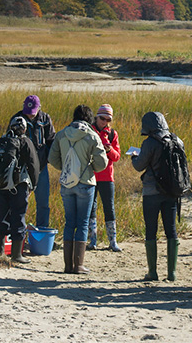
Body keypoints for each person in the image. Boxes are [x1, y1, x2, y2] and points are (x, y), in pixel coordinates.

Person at [48, 104, 108, 275]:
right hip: (86, 182)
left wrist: (66, 169)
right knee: (82, 223)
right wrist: (90, 168)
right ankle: (78, 265)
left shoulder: (62, 134)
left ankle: (67, 266)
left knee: (70, 222)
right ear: (90, 119)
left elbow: (52, 158)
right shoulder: (92, 136)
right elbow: (102, 163)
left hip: (67, 183)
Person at [132, 111, 185, 282]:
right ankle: (172, 273)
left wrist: (134, 157)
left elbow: (139, 166)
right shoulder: (177, 141)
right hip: (171, 191)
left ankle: (152, 272)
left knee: (151, 230)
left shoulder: (149, 143)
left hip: (151, 191)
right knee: (171, 230)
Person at [0, 117, 40, 264]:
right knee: (18, 216)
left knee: (1, 215)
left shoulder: (1, 141)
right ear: (24, 129)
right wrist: (33, 185)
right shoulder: (25, 142)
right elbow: (33, 165)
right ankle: (16, 255)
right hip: (18, 186)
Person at [10, 95, 56, 229]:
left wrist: (48, 158)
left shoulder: (45, 119)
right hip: (22, 169)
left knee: (43, 203)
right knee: (20, 202)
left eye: (32, 113)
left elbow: (51, 140)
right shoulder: (16, 119)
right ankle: (18, 232)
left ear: (39, 108)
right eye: (27, 112)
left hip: (41, 168)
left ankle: (41, 230)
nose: (29, 115)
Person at [87, 104, 122, 252]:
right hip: (90, 175)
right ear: (96, 116)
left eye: (108, 119)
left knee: (110, 208)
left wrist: (109, 148)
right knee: (91, 208)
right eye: (102, 118)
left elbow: (117, 156)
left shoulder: (113, 134)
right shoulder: (88, 130)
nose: (105, 122)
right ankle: (92, 241)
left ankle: (112, 241)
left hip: (107, 176)